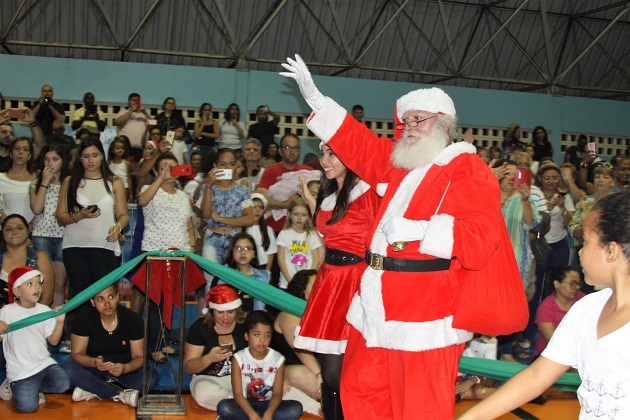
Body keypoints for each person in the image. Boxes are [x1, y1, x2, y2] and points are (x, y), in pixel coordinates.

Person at [280, 55, 527, 419]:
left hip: (426, 313)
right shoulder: (399, 164)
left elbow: (481, 238)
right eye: (405, 120)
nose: (409, 126)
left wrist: (421, 230)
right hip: (374, 307)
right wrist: (316, 99)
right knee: (359, 394)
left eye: (419, 119)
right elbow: (358, 142)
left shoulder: (466, 167)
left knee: (419, 407)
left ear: (443, 123)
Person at [459, 192, 630, 419]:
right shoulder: (586, 309)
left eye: (585, 242)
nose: (579, 251)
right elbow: (537, 377)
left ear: (612, 251)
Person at [294, 142, 380, 419]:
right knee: (330, 376)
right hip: (329, 282)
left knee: (340, 374)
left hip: (354, 283)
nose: (323, 160)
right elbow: (332, 230)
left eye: (331, 153)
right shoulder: (330, 194)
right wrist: (311, 201)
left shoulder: (369, 192)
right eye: (323, 153)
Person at [132, 152, 205, 362]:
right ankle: (154, 346)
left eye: (172, 167)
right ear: (155, 171)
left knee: (170, 300)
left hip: (179, 254)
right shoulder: (149, 190)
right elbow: (142, 202)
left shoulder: (183, 197)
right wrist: (160, 180)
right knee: (155, 301)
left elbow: (189, 224)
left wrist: (191, 247)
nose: (169, 171)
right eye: (164, 167)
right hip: (155, 253)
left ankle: (163, 341)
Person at [56, 135, 128, 306]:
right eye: (86, 156)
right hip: (74, 247)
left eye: (95, 155)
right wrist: (79, 216)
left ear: (102, 155)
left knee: (104, 299)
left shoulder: (114, 181)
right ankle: (76, 332)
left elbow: (123, 215)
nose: (91, 160)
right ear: (80, 158)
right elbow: (61, 217)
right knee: (79, 300)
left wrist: (118, 226)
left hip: (104, 246)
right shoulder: (70, 181)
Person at [62, 284, 157, 407]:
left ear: (117, 297)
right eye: (100, 299)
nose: (107, 303)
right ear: (92, 302)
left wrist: (125, 368)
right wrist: (94, 362)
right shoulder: (84, 318)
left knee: (151, 378)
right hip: (93, 370)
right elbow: (77, 354)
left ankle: (92, 389)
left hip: (124, 373)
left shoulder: (132, 319)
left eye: (111, 297)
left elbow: (139, 357)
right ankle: (120, 393)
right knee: (67, 370)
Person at [0, 266, 69, 413]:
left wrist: (60, 322)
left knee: (62, 384)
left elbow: (54, 341)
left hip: (43, 364)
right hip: (20, 369)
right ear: (17, 291)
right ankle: (13, 385)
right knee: (28, 407)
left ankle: (35, 387)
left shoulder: (44, 311)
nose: (36, 287)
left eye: (38, 283)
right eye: (29, 284)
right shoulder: (7, 312)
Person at [216, 310, 304, 420]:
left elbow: (277, 394)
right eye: (257, 335)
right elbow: (238, 394)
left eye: (267, 335)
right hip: (245, 405)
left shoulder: (278, 359)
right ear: (247, 336)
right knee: (224, 407)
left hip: (268, 404)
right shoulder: (238, 358)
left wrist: (269, 413)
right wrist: (252, 415)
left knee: (296, 408)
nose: (262, 340)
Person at [184, 284, 247, 411]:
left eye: (230, 312)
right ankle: (243, 405)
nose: (225, 317)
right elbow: (189, 368)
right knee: (205, 394)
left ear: (237, 310)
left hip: (242, 377)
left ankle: (233, 407)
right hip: (207, 378)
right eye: (220, 312)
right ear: (212, 311)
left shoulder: (245, 325)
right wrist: (209, 358)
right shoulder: (199, 328)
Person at [273, 270, 324, 416]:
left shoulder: (320, 312)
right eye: (315, 285)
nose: (320, 288)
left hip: (317, 367)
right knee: (300, 373)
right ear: (301, 290)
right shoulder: (289, 314)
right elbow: (300, 348)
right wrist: (319, 374)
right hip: (289, 370)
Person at [200, 149, 254, 275]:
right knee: (210, 279)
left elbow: (249, 219)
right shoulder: (206, 187)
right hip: (212, 238)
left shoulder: (243, 190)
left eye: (231, 164)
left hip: (235, 240)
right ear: (215, 166)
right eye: (222, 164)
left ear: (236, 166)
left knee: (233, 280)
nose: (227, 168)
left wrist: (220, 219)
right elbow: (206, 214)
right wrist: (208, 186)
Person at [29, 144, 70, 308]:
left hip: (64, 235)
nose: (50, 164)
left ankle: (57, 326)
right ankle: (42, 324)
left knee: (59, 285)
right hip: (41, 235)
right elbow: (36, 208)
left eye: (55, 159)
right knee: (44, 285)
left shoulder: (70, 182)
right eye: (46, 159)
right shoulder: (35, 183)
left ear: (62, 161)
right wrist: (44, 182)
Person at [256, 133, 311, 233]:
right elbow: (261, 198)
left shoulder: (308, 172)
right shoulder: (271, 171)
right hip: (274, 230)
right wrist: (284, 204)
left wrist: (274, 203)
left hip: (301, 232)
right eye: (287, 147)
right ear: (280, 151)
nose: (292, 151)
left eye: (296, 148)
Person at [0, 214, 55, 307]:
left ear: (27, 231)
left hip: (33, 318)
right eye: (9, 229)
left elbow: (48, 298)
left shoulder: (40, 257)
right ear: (3, 234)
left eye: (19, 228)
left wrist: (32, 319)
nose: (14, 232)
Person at [533, 265, 584, 358]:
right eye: (572, 284)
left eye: (578, 284)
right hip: (551, 357)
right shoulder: (545, 308)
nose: (576, 287)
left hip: (578, 352)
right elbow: (554, 345)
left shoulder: (581, 299)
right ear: (557, 284)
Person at [276, 198, 322, 289]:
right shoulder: (284, 234)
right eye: (296, 214)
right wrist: (291, 281)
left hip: (306, 285)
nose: (299, 218)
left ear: (308, 216)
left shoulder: (312, 235)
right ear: (289, 215)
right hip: (287, 282)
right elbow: (281, 259)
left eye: (303, 215)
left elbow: (315, 258)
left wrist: (308, 281)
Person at [0, 137, 37, 222]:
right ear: (10, 154)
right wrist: (11, 225)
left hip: (32, 230)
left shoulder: (38, 179)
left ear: (30, 156)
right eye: (16, 148)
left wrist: (29, 226)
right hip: (5, 229)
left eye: (25, 149)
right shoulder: (1, 178)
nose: (20, 152)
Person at [114, 93, 152, 163]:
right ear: (129, 103)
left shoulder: (143, 115)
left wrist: (145, 113)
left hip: (139, 150)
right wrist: (131, 111)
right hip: (124, 149)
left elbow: (152, 126)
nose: (135, 102)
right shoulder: (123, 112)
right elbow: (117, 123)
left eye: (137, 101)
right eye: (133, 100)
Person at [245, 193, 276, 272]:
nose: (257, 210)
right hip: (245, 266)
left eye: (261, 207)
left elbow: (270, 253)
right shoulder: (243, 229)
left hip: (262, 267)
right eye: (254, 207)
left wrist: (267, 272)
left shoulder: (268, 230)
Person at [107, 136, 134, 202]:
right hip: (111, 188)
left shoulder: (126, 163)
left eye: (122, 148)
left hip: (124, 188)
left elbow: (129, 179)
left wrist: (131, 195)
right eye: (117, 148)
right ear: (112, 150)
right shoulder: (108, 163)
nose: (120, 150)